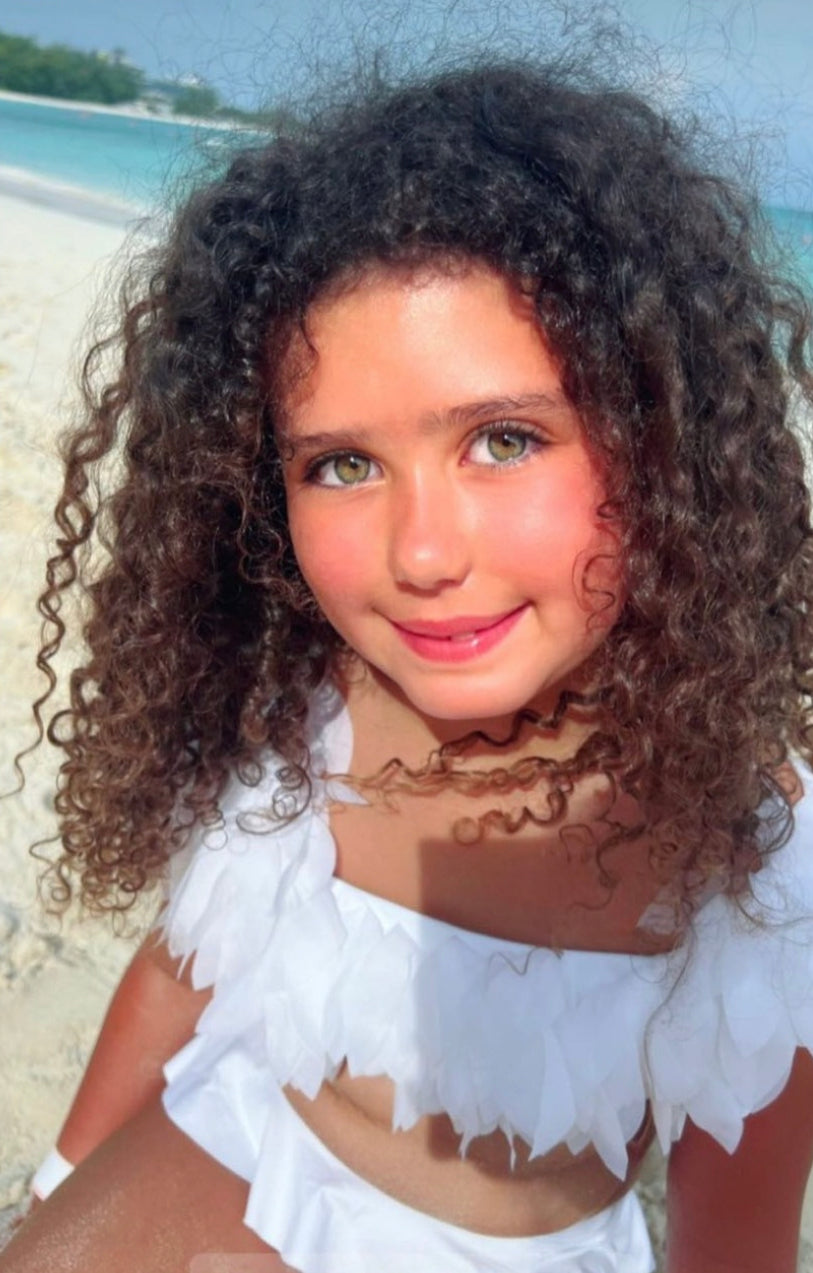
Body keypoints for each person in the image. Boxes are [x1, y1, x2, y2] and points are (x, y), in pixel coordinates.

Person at [2, 54, 813, 1273]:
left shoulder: (750, 855)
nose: (421, 553)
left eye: (504, 439)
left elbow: (734, 1242)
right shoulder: (317, 708)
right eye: (341, 464)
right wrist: (56, 1183)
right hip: (227, 1140)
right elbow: (177, 974)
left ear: (667, 439)